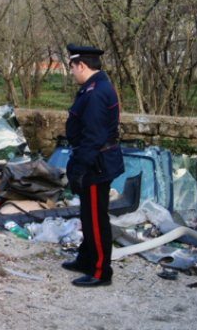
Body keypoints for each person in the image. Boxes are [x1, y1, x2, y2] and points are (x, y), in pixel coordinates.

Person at [62, 44, 125, 287]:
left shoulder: (96, 93)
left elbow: (94, 137)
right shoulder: (95, 87)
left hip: (94, 164)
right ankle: (85, 258)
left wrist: (79, 169)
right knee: (89, 215)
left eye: (72, 68)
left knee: (95, 219)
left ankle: (100, 272)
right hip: (96, 162)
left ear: (82, 66)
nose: (72, 73)